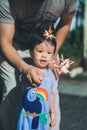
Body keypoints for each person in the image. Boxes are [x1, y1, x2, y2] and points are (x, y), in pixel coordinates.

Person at [0, 0, 79, 130]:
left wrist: (52, 54)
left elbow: (65, 23)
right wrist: (24, 68)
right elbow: (5, 42)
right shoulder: (7, 2)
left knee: (49, 92)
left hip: (45, 46)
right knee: (11, 98)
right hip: (14, 45)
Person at [17, 26, 57, 130]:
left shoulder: (51, 75)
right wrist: (28, 78)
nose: (44, 56)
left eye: (48, 53)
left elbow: (51, 94)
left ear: (53, 55)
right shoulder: (29, 70)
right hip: (27, 115)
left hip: (42, 116)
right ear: (30, 52)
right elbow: (24, 81)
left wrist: (53, 112)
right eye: (40, 51)